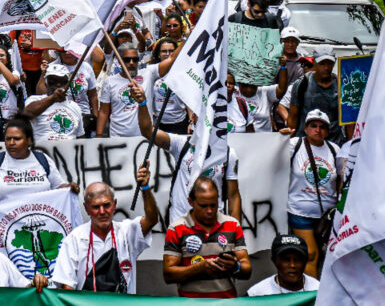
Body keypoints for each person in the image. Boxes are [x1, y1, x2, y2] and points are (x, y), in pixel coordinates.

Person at [132, 81, 242, 221]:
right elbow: (148, 131)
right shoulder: (182, 145)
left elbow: (233, 196)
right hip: (181, 227)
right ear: (194, 118)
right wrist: (142, 103)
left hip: (213, 228)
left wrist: (236, 235)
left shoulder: (227, 154)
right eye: (203, 116)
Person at [51, 165, 158, 293]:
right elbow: (67, 287)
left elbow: (151, 220)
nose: (102, 212)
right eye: (96, 207)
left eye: (106, 205)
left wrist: (145, 188)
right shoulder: (74, 239)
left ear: (114, 204)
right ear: (87, 208)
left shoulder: (126, 231)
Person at [163, 176, 252, 298]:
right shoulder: (177, 228)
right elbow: (168, 275)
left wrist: (235, 267)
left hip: (226, 302)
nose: (209, 211)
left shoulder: (232, 225)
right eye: (203, 206)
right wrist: (199, 268)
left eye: (213, 205)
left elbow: (247, 270)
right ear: (191, 202)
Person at [287, 110, 341, 277]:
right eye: (313, 125)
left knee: (328, 257)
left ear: (328, 130)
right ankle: (313, 298)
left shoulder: (334, 149)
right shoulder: (294, 144)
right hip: (299, 211)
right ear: (305, 128)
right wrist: (280, 138)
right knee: (311, 254)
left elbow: (341, 178)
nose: (318, 130)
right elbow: (272, 157)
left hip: (327, 217)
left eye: (322, 127)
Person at [0, 117, 76, 209]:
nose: (11, 143)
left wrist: (69, 188)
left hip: (42, 221)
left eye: (17, 139)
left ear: (29, 141)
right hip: (5, 223)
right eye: (8, 139)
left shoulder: (43, 159)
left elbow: (59, 187)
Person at [285, 47, 342, 143]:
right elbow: (293, 116)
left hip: (333, 144)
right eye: (322, 63)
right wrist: (289, 142)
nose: (326, 67)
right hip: (305, 144)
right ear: (314, 62)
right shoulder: (302, 83)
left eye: (329, 63)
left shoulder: (341, 85)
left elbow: (349, 121)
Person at [24, 63, 85, 140]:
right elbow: (27, 113)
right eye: (52, 81)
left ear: (68, 84)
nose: (58, 84)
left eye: (62, 81)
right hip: (42, 150)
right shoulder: (34, 100)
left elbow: (80, 137)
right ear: (46, 83)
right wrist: (52, 98)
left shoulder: (75, 106)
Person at [247, 234, 320, 296]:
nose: (292, 265)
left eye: (297, 260)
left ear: (305, 261)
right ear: (274, 261)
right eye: (286, 260)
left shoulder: (318, 290)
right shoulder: (258, 294)